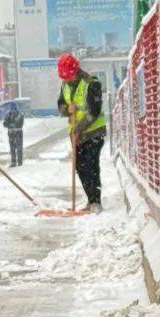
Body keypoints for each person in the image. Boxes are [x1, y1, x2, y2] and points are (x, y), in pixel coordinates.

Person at [57, 53, 105, 213]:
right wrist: (66, 109)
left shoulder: (92, 84)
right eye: (65, 77)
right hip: (76, 135)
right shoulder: (64, 85)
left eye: (69, 76)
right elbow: (60, 106)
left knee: (91, 164)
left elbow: (94, 112)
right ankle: (90, 200)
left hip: (93, 132)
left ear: (76, 70)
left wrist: (78, 128)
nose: (67, 80)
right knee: (80, 167)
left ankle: (95, 201)